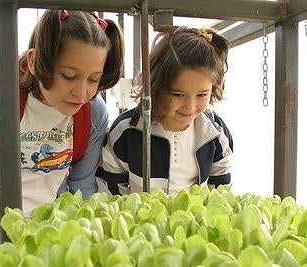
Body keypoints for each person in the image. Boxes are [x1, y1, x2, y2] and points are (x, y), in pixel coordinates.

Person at [0, 9, 124, 267]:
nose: (82, 92)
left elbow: (82, 184)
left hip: (54, 224)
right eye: (68, 75)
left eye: (93, 79)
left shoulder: (94, 113)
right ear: (33, 60)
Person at [97, 26, 233, 196]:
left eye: (202, 94)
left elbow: (220, 197)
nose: (190, 107)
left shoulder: (216, 133)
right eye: (178, 94)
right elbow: (111, 195)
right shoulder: (125, 131)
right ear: (156, 86)